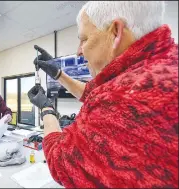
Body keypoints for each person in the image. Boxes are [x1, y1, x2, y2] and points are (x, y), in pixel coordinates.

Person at [28, 1, 178, 188]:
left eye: (84, 39)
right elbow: (94, 92)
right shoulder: (162, 62)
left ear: (116, 32)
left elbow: (61, 161)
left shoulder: (119, 101)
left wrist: (46, 108)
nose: (79, 51)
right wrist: (58, 74)